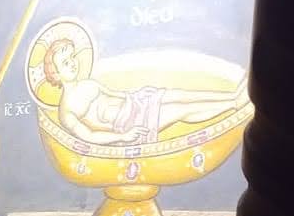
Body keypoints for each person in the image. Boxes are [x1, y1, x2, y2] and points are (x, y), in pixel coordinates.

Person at [44, 35, 247, 145]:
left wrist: (138, 95)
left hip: (135, 102)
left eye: (72, 57)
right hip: (129, 123)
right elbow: (89, 135)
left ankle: (231, 96)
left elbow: (114, 94)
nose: (72, 63)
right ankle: (233, 104)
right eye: (65, 63)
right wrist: (123, 137)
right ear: (55, 74)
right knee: (180, 110)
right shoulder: (67, 111)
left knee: (179, 95)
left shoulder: (88, 84)